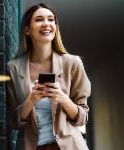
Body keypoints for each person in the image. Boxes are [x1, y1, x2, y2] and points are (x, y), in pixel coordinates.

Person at [6, 3, 91, 150]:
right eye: (39, 19)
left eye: (51, 20)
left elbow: (82, 117)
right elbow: (14, 121)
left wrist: (62, 98)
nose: (46, 24)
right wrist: (32, 99)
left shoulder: (72, 63)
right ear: (27, 30)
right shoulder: (13, 68)